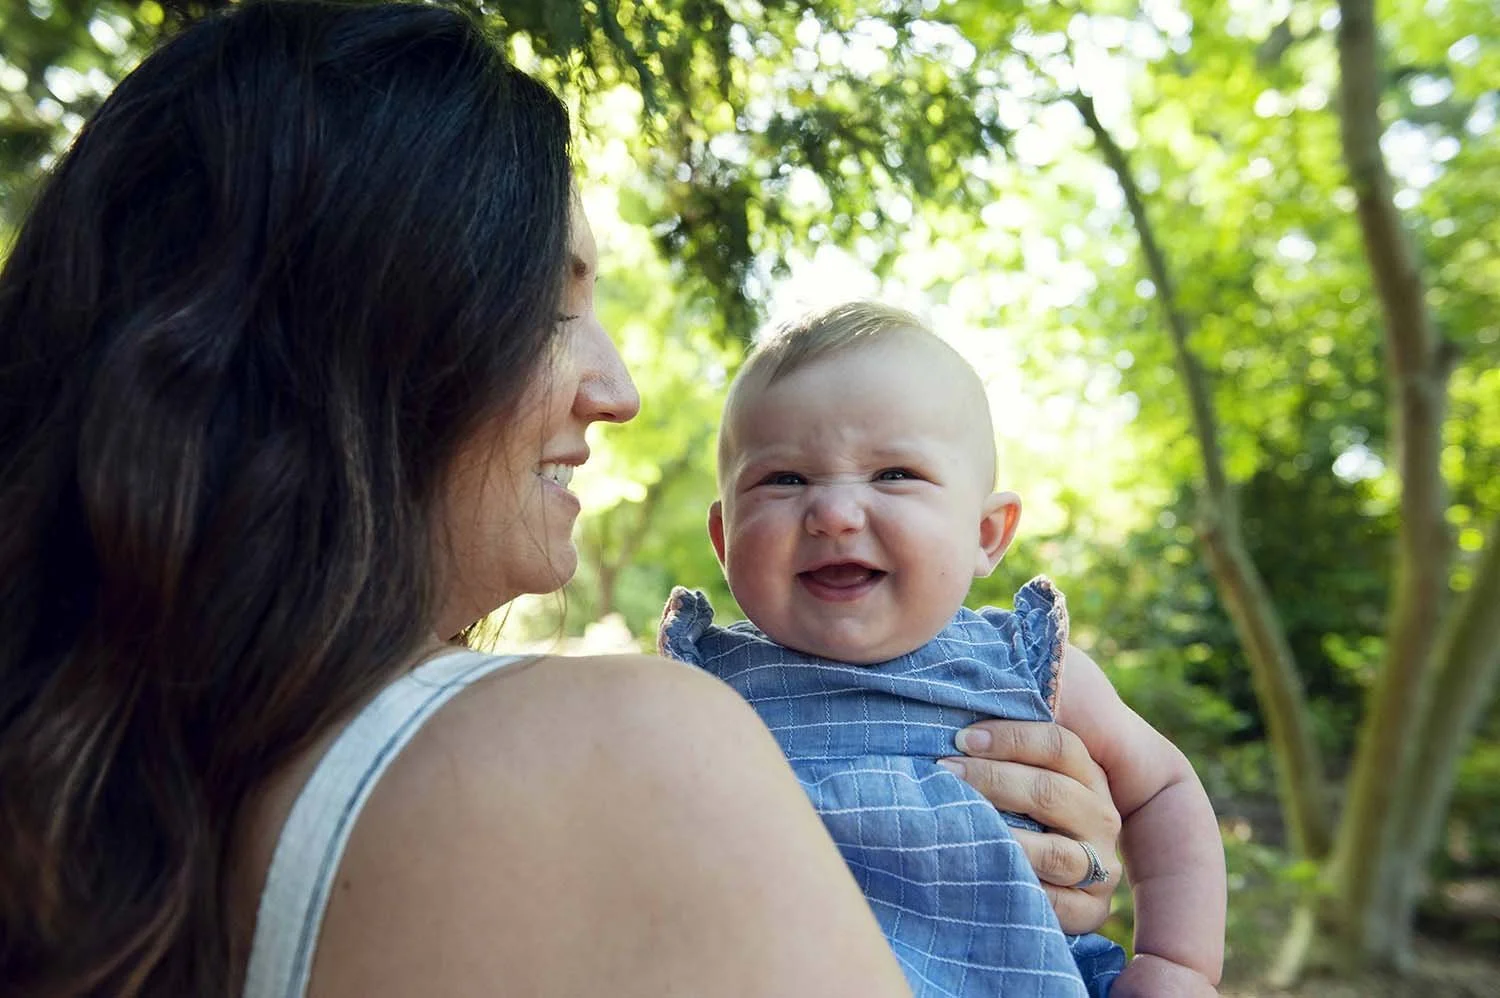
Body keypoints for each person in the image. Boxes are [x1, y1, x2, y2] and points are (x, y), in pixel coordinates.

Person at [0, 4, 1126, 996]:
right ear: (363, 335)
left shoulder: (92, 805)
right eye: (549, 304)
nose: (620, 390)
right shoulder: (630, 744)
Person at [659, 301, 1227, 997]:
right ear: (724, 541)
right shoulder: (701, 690)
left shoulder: (1024, 667)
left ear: (987, 534)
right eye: (784, 479)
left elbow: (1164, 787)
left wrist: (1177, 964)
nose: (834, 515)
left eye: (894, 473)